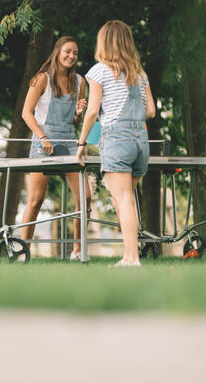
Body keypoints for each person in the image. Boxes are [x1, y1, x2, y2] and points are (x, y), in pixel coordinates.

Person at [77, 20, 155, 267]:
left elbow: (91, 112)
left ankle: (132, 258)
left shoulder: (99, 71)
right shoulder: (140, 74)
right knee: (122, 199)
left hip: (117, 140)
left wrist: (82, 143)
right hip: (141, 141)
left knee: (123, 199)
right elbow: (150, 111)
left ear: (104, 42)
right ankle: (129, 255)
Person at [21, 36, 91, 260]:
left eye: (75, 54)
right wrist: (42, 137)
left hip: (70, 142)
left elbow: (76, 122)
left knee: (85, 197)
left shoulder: (80, 82)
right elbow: (26, 113)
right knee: (36, 200)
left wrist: (79, 114)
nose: (71, 56)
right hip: (44, 141)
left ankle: (78, 251)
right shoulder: (41, 78)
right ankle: (24, 250)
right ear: (57, 52)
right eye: (68, 51)